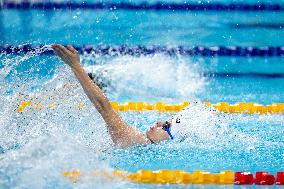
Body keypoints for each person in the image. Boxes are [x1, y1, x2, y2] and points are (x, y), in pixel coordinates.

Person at [51, 44, 174, 148]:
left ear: (169, 139)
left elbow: (104, 107)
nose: (159, 122)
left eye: (165, 126)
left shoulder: (136, 141)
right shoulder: (141, 143)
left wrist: (75, 65)